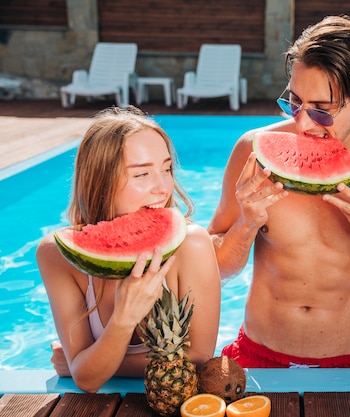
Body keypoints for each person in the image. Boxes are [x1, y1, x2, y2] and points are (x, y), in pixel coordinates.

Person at [208, 15, 350, 368]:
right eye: (294, 103)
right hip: (255, 355)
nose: (304, 123)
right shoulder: (252, 150)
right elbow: (214, 271)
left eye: (323, 111)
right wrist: (246, 225)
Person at [37, 106, 221, 392]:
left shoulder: (192, 244)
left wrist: (85, 364)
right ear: (100, 181)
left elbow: (198, 357)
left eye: (166, 168)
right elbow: (87, 380)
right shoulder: (56, 254)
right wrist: (124, 317)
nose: (163, 187)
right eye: (142, 174)